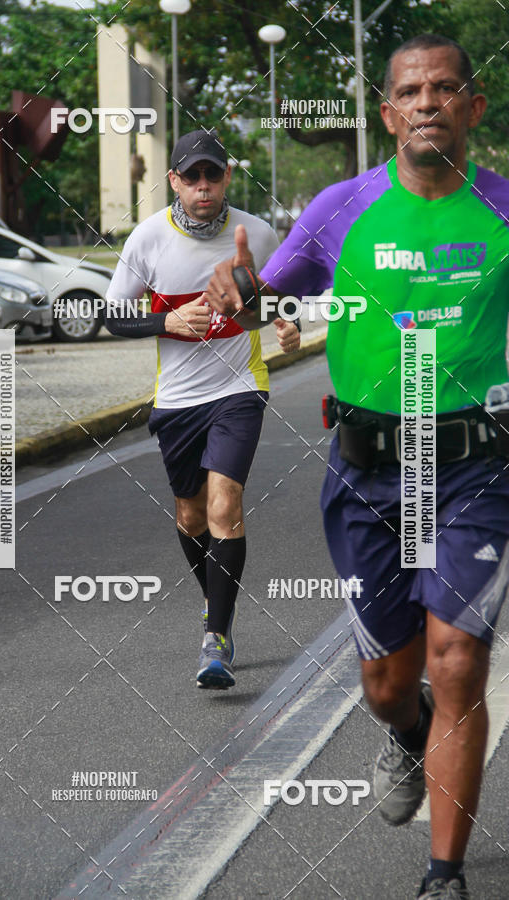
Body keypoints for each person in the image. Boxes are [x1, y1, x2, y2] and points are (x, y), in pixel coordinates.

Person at [203, 34, 509, 899]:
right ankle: (403, 733)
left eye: (445, 88)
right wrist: (239, 294)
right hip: (370, 472)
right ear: (387, 112)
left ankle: (443, 876)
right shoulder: (342, 208)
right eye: (410, 90)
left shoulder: (504, 211)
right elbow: (271, 289)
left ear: (471, 108)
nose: (426, 103)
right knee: (388, 684)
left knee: (457, 661)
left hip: (471, 468)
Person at [105, 129, 300, 690]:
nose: (203, 187)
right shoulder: (146, 240)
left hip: (240, 385)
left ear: (227, 178)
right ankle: (216, 608)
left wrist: (288, 323)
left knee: (225, 504)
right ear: (174, 182)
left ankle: (216, 636)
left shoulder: (256, 233)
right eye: (191, 177)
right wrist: (162, 321)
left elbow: (282, 298)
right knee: (190, 518)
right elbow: (112, 316)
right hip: (178, 399)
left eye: (213, 175)